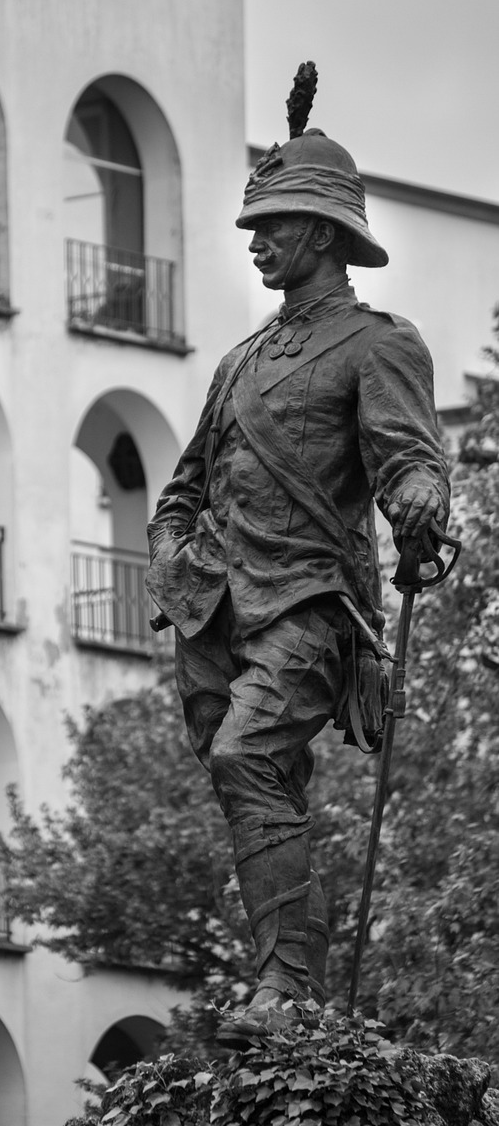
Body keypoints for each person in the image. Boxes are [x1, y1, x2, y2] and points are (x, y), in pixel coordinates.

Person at [146, 65, 450, 1048]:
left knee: (246, 755)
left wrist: (416, 512)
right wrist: (179, 567)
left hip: (314, 601)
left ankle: (286, 986)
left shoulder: (377, 345)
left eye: (273, 222)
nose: (258, 239)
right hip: (219, 610)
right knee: (250, 782)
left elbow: (411, 463)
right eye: (253, 225)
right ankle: (288, 980)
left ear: (323, 230)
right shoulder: (238, 359)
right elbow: (179, 490)